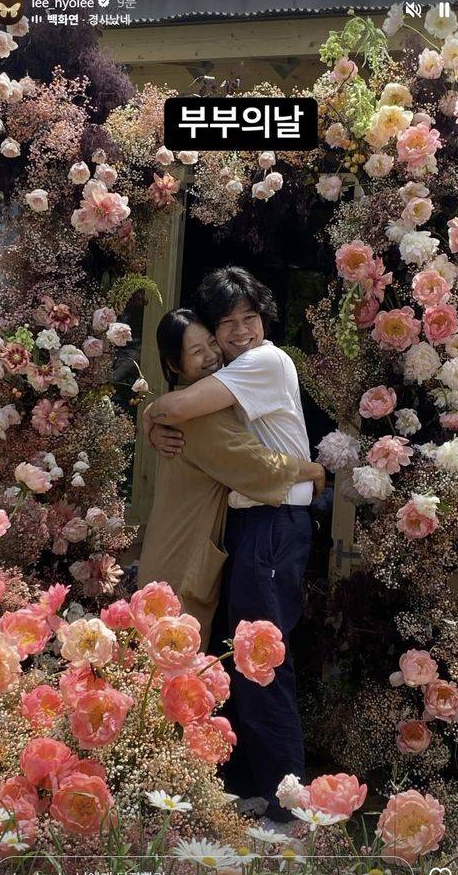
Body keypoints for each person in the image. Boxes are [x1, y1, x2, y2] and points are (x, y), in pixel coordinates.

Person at [144, 267, 316, 822]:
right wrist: (152, 418)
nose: (241, 331)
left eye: (251, 317)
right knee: (245, 660)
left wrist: (318, 472)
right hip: (254, 526)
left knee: (262, 662)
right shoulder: (231, 376)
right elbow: (172, 407)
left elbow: (177, 409)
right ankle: (264, 790)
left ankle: (288, 808)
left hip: (273, 522)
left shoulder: (265, 361)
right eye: (227, 324)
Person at [138, 307, 324, 654]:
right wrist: (314, 471)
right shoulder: (198, 418)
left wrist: (149, 415)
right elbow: (254, 465)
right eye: (196, 351)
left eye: (211, 343)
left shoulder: (189, 409)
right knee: (172, 665)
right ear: (175, 365)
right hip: (181, 563)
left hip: (178, 555)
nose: (211, 356)